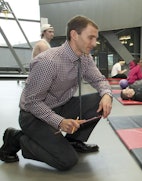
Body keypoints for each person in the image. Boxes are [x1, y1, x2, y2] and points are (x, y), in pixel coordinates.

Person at [0, 15, 113, 171]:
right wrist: (60, 122)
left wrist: (107, 95)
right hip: (33, 116)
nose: (94, 43)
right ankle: (17, 139)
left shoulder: (85, 58)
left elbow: (99, 80)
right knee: (67, 161)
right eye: (91, 37)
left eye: (96, 38)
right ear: (74, 35)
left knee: (99, 98)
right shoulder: (48, 62)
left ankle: (74, 140)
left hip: (60, 105)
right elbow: (32, 102)